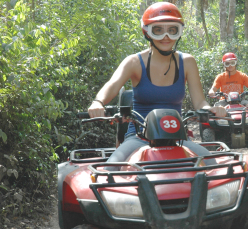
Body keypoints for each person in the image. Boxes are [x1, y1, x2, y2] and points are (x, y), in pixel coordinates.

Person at [87, 2, 226, 164]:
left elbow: (200, 101)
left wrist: (211, 109)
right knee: (110, 171)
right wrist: (98, 102)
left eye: (172, 30)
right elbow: (112, 84)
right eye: (158, 30)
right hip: (138, 138)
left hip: (177, 138)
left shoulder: (187, 62)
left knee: (212, 165)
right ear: (147, 32)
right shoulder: (134, 62)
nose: (166, 36)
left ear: (179, 32)